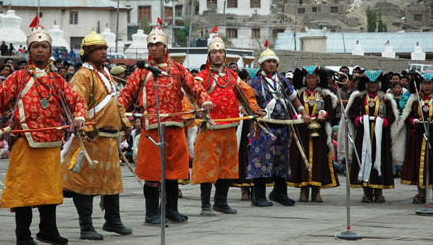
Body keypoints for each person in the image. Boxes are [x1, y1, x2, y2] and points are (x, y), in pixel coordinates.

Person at [0, 25, 86, 245]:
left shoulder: (58, 80)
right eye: (36, 46)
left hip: (51, 143)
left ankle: (48, 230)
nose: (40, 50)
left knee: (49, 190)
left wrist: (79, 116)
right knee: (25, 191)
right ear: (28, 50)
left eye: (44, 46)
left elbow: (76, 101)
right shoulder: (17, 78)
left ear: (50, 51)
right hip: (25, 143)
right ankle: (22, 235)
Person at [117, 22, 213, 225]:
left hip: (176, 127)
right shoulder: (142, 71)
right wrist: (119, 113)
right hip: (152, 129)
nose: (153, 48)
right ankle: (151, 214)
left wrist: (204, 99)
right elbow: (126, 95)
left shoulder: (177, 69)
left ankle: (170, 210)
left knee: (172, 173)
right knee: (152, 173)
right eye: (150, 45)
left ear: (165, 47)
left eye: (157, 44)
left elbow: (194, 87)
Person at [61, 31, 132, 240]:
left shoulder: (106, 73)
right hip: (91, 137)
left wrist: (125, 124)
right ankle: (86, 226)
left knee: (112, 182)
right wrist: (83, 122)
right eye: (98, 49)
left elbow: (116, 102)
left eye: (104, 49)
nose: (103, 52)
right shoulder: (83, 75)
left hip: (110, 139)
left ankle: (113, 220)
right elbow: (77, 101)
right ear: (88, 53)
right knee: (85, 184)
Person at [192, 31, 260, 215]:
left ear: (225, 54)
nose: (218, 55)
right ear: (209, 56)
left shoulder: (232, 76)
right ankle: (205, 205)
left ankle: (220, 202)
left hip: (230, 128)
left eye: (221, 52)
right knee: (207, 166)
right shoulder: (201, 76)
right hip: (210, 128)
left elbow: (247, 93)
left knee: (227, 167)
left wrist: (255, 109)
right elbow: (193, 94)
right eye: (214, 52)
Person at [247, 42, 310, 207]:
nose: (272, 64)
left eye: (274, 62)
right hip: (263, 127)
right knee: (260, 160)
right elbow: (248, 102)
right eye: (269, 62)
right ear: (261, 65)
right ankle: (258, 196)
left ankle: (279, 193)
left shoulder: (282, 80)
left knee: (281, 160)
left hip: (282, 126)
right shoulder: (254, 82)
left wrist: (303, 112)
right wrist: (255, 112)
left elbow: (293, 98)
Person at [393, 73, 433, 205]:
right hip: (418, 138)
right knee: (419, 165)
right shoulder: (415, 100)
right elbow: (407, 115)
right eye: (425, 84)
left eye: (430, 84)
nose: (427, 86)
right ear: (421, 85)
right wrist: (413, 120)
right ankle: (421, 194)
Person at [288, 66, 339, 202]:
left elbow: (332, 113)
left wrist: (325, 114)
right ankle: (303, 190)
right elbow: (291, 110)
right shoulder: (298, 95)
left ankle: (316, 191)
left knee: (318, 159)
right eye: (309, 78)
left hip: (320, 132)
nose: (311, 81)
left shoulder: (325, 95)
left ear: (318, 79)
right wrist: (296, 117)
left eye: (314, 78)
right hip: (302, 131)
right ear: (305, 80)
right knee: (301, 158)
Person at [345, 70, 396, 203]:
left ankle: (379, 192)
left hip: (381, 137)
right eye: (370, 82)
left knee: (380, 160)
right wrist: (358, 119)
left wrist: (385, 121)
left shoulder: (385, 99)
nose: (373, 85)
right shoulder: (359, 98)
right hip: (363, 135)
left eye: (375, 82)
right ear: (366, 84)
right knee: (364, 159)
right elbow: (351, 113)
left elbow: (392, 115)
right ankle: (367, 192)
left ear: (379, 83)